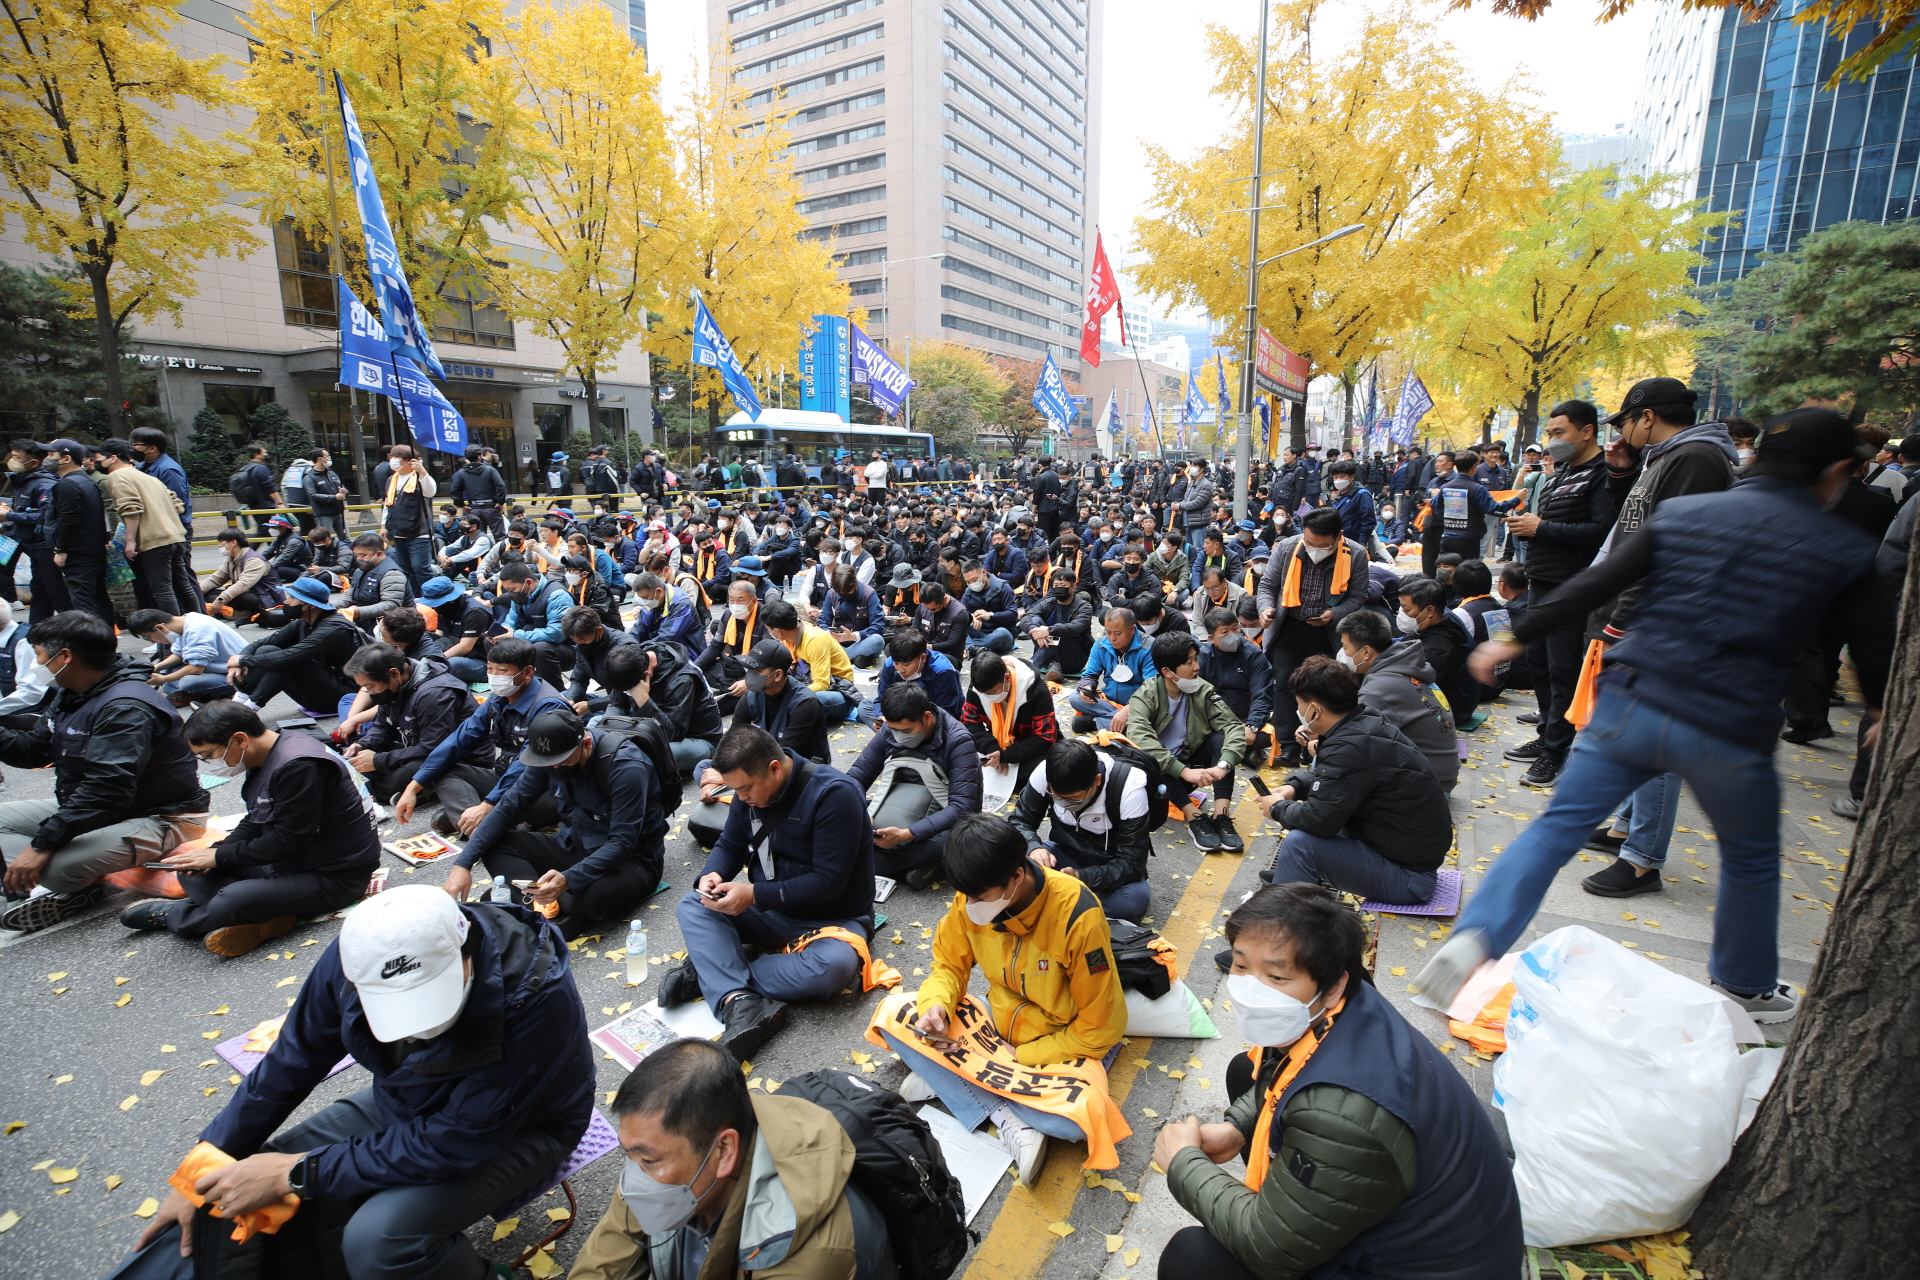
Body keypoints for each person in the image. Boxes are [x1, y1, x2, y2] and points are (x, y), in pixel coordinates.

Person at [1419, 408, 1894, 1023]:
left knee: (1556, 828)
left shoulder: (1687, 513)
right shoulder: (1843, 547)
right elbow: (1874, 641)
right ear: (1835, 471)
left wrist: (1513, 638)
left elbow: (1598, 581)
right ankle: (1745, 984)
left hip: (1632, 700)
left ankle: (1475, 941)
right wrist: (1880, 710)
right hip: (1730, 726)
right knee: (1750, 857)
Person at [135, 885, 594, 1280]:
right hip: (408, 1102)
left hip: (522, 1127)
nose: (418, 1027)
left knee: (381, 1240)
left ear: (466, 949)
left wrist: (299, 1173)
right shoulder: (356, 954)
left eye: (428, 997)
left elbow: (455, 1141)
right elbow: (293, 1058)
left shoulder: (535, 996)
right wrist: (201, 1167)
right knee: (235, 1182)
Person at [1160, 882, 1522, 1280]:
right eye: (1242, 966)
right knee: (1244, 1072)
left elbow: (1271, 1249)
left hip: (1410, 1267)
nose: (1250, 990)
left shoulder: (1342, 1114)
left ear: (1332, 986)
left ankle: (1297, 1212)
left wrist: (1184, 1163)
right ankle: (1297, 1202)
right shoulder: (1347, 1004)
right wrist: (1238, 1129)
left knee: (1193, 1259)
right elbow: (1283, 1074)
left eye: (1277, 976)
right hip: (1417, 1226)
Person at [884, 811, 1126, 1184]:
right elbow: (948, 965)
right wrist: (937, 1006)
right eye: (966, 896)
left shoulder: (1077, 914)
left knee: (1077, 1122)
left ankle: (961, 1081)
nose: (970, 905)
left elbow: (1102, 1026)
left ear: (1016, 876)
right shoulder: (974, 895)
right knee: (895, 1013)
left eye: (979, 897)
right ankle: (1009, 1115)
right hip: (998, 1023)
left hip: (1058, 1042)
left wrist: (1024, 1056)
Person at [571, 1038, 894, 1280]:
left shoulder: (808, 1259)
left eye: (648, 1161)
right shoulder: (658, 1156)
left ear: (724, 1151)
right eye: (629, 1154)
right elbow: (603, 1262)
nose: (633, 1180)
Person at [660, 725, 875, 1059]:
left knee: (831, 970)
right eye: (736, 790)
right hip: (770, 908)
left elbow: (828, 882)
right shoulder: (746, 793)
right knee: (694, 904)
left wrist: (753, 895)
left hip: (834, 919)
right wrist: (712, 875)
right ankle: (738, 999)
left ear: (774, 769)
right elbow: (730, 844)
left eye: (745, 789)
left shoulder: (835, 794)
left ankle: (714, 970)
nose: (741, 798)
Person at [0, 611, 210, 932]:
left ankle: (73, 889)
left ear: (65, 657)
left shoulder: (126, 707)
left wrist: (41, 846)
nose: (35, 664)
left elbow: (105, 789)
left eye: (38, 655)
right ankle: (50, 877)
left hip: (162, 817)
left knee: (52, 868)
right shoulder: (73, 693)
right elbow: (35, 750)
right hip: (102, 809)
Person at [119, 700, 379, 954]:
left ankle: (181, 915)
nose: (208, 763)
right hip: (295, 861)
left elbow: (288, 841)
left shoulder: (299, 766)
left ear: (240, 740)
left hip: (334, 875)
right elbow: (256, 819)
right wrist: (215, 852)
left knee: (233, 898)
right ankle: (264, 913)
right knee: (193, 872)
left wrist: (219, 856)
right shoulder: (268, 754)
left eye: (208, 755)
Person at [1246, 657, 1452, 908]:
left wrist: (1277, 807)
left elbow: (1317, 819)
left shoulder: (1350, 745)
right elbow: (1339, 780)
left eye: (1299, 704)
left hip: (1409, 878)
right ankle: (1294, 874)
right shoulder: (1365, 720)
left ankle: (1279, 922)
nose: (1297, 711)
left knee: (1300, 844)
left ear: (1314, 710)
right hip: (1403, 852)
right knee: (1316, 822)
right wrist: (1294, 787)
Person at [443, 707, 668, 936]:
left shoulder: (626, 766)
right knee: (493, 843)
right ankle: (543, 907)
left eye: (562, 762)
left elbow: (622, 843)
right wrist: (463, 864)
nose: (555, 768)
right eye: (550, 764)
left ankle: (532, 904)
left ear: (586, 744)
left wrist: (569, 879)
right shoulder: (549, 761)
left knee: (586, 897)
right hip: (573, 846)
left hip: (630, 860)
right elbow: (508, 808)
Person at [1500, 399, 1616, 784]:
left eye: (1559, 432)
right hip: (1542, 580)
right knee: (1539, 665)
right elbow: (1549, 524)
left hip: (1572, 588)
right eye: (1549, 433)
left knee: (1562, 670)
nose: (1552, 441)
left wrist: (1541, 528)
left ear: (1587, 431)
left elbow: (1601, 532)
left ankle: (1555, 752)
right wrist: (1528, 526)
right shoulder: (1562, 473)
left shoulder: (1603, 473)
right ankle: (1546, 735)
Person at [396, 635, 573, 837]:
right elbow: (459, 740)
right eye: (490, 669)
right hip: (504, 778)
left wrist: (488, 804)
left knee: (470, 810)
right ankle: (476, 827)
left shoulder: (548, 706)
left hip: (543, 791)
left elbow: (526, 767)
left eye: (503, 671)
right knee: (445, 770)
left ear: (527, 672)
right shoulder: (499, 698)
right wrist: (413, 787)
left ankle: (477, 826)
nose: (494, 676)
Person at [844, 680, 981, 887]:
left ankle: (865, 860)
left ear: (927, 718)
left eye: (907, 731)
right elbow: (856, 777)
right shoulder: (890, 730)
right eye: (894, 730)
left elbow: (961, 807)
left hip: (944, 814)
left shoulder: (958, 740)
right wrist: (861, 812)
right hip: (897, 803)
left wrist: (908, 834)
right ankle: (910, 865)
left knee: (953, 842)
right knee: (841, 808)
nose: (899, 737)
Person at [1008, 737, 1154, 922]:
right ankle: (1075, 904)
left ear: (1097, 780)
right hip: (1061, 854)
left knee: (1133, 901)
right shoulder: (1045, 772)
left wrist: (1081, 876)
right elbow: (1019, 821)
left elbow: (1132, 863)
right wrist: (1033, 847)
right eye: (1057, 796)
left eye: (1073, 798)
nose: (1065, 803)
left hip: (1109, 865)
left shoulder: (1129, 788)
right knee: (1008, 862)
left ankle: (1051, 899)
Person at [1128, 632, 1248, 852]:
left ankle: (1221, 816)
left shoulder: (1202, 689)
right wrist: (1183, 771)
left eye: (1196, 659)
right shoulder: (1145, 696)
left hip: (1191, 764)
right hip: (1163, 778)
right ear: (1167, 672)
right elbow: (1141, 739)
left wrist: (1224, 765)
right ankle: (1195, 817)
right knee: (1151, 758)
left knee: (1220, 740)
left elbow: (1232, 725)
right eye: (1188, 662)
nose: (1197, 667)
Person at [339, 641, 491, 813]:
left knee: (402, 770)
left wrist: (378, 760)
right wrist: (363, 745)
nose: (369, 692)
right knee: (361, 759)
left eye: (370, 686)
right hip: (416, 745)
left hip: (461, 757)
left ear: (394, 673)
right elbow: (383, 726)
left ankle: (377, 790)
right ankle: (413, 788)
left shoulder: (435, 693)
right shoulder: (393, 685)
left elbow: (434, 748)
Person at [1334, 610, 1460, 790]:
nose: (1342, 653)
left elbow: (1354, 744)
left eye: (1345, 647)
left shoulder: (1380, 687)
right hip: (1441, 773)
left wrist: (1319, 742)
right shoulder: (1405, 665)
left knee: (1331, 762)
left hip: (1426, 786)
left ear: (1366, 652)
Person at [227, 576, 361, 718]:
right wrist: (239, 661)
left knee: (289, 660)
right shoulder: (304, 622)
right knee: (266, 650)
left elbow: (289, 657)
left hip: (344, 697)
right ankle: (239, 703)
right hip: (321, 687)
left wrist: (243, 660)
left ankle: (246, 712)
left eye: (292, 598)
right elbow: (261, 643)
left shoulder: (334, 629)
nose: (286, 602)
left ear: (310, 604)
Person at [1196, 607, 1272, 848]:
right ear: (1211, 638)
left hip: (1243, 720)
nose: (1233, 635)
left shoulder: (1253, 654)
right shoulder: (1203, 656)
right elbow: (1195, 695)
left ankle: (1222, 815)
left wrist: (1252, 725)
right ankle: (1241, 752)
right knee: (1217, 742)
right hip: (1213, 721)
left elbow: (1262, 695)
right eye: (1225, 632)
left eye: (1235, 629)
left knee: (1269, 734)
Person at [98, 438, 195, 617]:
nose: (97, 461)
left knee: (162, 590)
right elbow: (177, 504)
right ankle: (199, 626)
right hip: (175, 536)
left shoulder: (117, 476)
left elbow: (131, 509)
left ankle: (170, 633)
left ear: (113, 458)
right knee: (183, 587)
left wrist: (130, 541)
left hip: (154, 540)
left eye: (99, 457)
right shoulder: (146, 476)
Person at [607, 641, 726, 776]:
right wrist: (606, 734)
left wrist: (644, 701)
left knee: (646, 754)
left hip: (696, 741)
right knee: (597, 726)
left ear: (646, 675)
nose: (628, 693)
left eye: (629, 690)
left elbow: (673, 733)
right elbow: (616, 703)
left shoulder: (682, 679)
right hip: (647, 730)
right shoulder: (630, 664)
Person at [709, 638, 832, 765]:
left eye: (757, 671)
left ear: (778, 675)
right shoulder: (751, 696)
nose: (750, 675)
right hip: (763, 758)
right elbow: (732, 739)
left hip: (795, 766)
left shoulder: (805, 703)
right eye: (749, 669)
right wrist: (718, 768)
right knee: (706, 766)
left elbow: (783, 757)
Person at [960, 649, 1058, 793]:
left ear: (1007, 678)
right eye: (984, 694)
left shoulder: (1035, 690)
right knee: (961, 757)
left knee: (1049, 767)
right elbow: (969, 724)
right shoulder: (978, 689)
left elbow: (1044, 738)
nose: (988, 697)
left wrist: (1006, 756)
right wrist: (992, 749)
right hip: (997, 746)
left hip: (1027, 749)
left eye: (992, 692)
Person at [1395, 577, 1477, 729]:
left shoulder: (1438, 648)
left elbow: (1410, 687)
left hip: (1439, 717)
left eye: (1407, 610)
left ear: (1429, 611)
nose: (1403, 615)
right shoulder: (1426, 629)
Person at [44, 437, 112, 624]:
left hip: (78, 552)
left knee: (83, 601)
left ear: (66, 458)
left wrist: (61, 549)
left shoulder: (67, 484)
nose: (47, 459)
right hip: (92, 548)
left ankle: (91, 639)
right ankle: (106, 638)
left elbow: (68, 519)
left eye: (51, 455)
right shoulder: (86, 480)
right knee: (98, 598)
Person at [129, 607, 248, 705]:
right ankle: (200, 693)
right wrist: (156, 668)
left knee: (187, 682)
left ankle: (211, 694)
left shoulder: (197, 629)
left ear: (159, 627)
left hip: (240, 674)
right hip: (217, 668)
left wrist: (163, 679)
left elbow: (196, 668)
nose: (152, 642)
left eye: (148, 637)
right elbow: (179, 654)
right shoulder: (186, 621)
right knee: (169, 677)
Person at [761, 596, 855, 721]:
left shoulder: (814, 640)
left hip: (838, 691)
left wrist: (788, 695)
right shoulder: (788, 637)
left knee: (812, 699)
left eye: (768, 629)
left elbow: (822, 684)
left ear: (778, 631)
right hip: (805, 682)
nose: (769, 633)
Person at [1070, 607, 1156, 732]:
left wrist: (1128, 709)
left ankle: (1095, 722)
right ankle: (1119, 721)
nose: (1112, 638)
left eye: (1117, 633)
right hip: (1109, 700)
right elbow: (1090, 674)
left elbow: (1150, 688)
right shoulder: (1101, 644)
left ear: (1132, 629)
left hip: (1137, 702)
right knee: (1075, 697)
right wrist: (1087, 687)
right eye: (1108, 632)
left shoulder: (1148, 647)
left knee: (1152, 708)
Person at [4, 440, 63, 621]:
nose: (12, 461)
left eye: (17, 457)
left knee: (57, 592)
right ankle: (37, 631)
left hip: (45, 545)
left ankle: (78, 631)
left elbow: (45, 516)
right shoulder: (24, 480)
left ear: (34, 462)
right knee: (40, 590)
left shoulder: (44, 484)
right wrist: (7, 525)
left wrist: (9, 516)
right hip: (33, 544)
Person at [494, 562, 573, 687]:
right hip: (531, 640)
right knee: (495, 642)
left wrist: (516, 635)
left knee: (540, 648)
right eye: (508, 590)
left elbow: (557, 634)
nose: (511, 594)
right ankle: (513, 685)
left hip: (564, 648)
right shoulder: (520, 595)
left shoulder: (557, 595)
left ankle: (556, 691)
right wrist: (503, 631)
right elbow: (512, 620)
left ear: (529, 583)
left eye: (512, 590)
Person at [1020, 573, 1096, 680]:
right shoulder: (1049, 603)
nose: (1059, 589)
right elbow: (1026, 618)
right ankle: (1053, 666)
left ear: (1073, 587)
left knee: (1060, 629)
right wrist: (1034, 630)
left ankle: (1032, 666)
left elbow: (1076, 627)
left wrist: (1050, 630)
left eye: (1063, 586)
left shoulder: (1084, 606)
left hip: (1073, 657)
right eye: (1056, 586)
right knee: (1034, 620)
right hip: (1048, 651)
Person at [959, 557, 1018, 654]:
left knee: (1001, 633)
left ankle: (969, 646)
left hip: (1002, 633)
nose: (972, 584)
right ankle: (973, 647)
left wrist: (990, 615)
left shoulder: (1003, 587)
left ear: (984, 573)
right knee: (960, 625)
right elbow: (961, 614)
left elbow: (1013, 613)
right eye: (968, 582)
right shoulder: (968, 592)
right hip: (980, 631)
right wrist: (971, 617)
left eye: (974, 579)